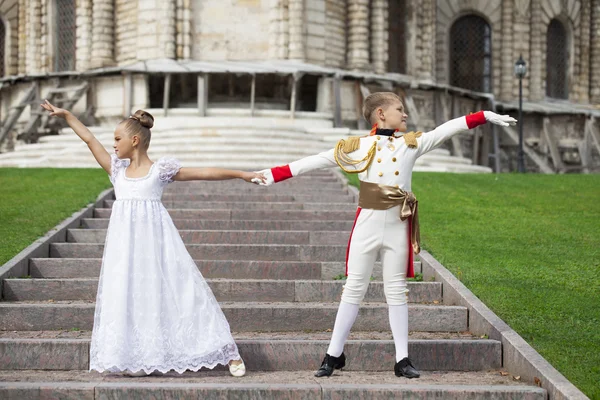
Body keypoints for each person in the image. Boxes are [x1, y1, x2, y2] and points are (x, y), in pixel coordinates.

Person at [256, 92, 516, 378]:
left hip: (397, 226)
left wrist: (482, 117)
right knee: (354, 287)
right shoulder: (358, 146)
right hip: (367, 225)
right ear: (381, 114)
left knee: (397, 291)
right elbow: (316, 160)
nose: (405, 115)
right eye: (399, 109)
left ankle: (402, 359)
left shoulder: (410, 144)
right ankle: (333, 355)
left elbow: (444, 130)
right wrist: (272, 174)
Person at [41, 100, 265, 377]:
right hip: (124, 250)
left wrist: (241, 174)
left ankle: (226, 350)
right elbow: (89, 140)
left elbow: (203, 173)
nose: (113, 144)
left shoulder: (160, 171)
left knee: (184, 290)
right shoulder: (117, 171)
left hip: (157, 244)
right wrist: (67, 116)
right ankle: (134, 355)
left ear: (134, 140)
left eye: (117, 139)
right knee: (127, 296)